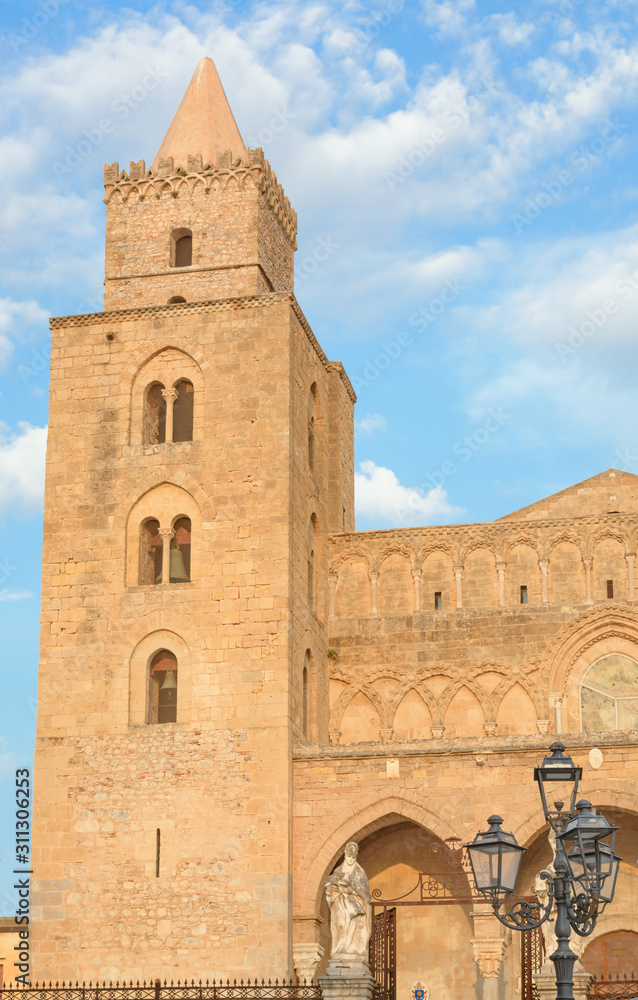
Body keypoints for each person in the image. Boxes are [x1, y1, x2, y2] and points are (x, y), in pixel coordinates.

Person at [324, 841, 371, 960]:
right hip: (339, 905)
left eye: (353, 857)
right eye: (348, 857)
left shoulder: (359, 873)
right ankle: (340, 949)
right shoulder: (338, 872)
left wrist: (350, 889)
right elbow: (328, 885)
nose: (350, 860)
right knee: (340, 926)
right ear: (345, 855)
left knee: (355, 926)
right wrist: (336, 887)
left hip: (355, 908)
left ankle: (353, 951)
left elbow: (366, 895)